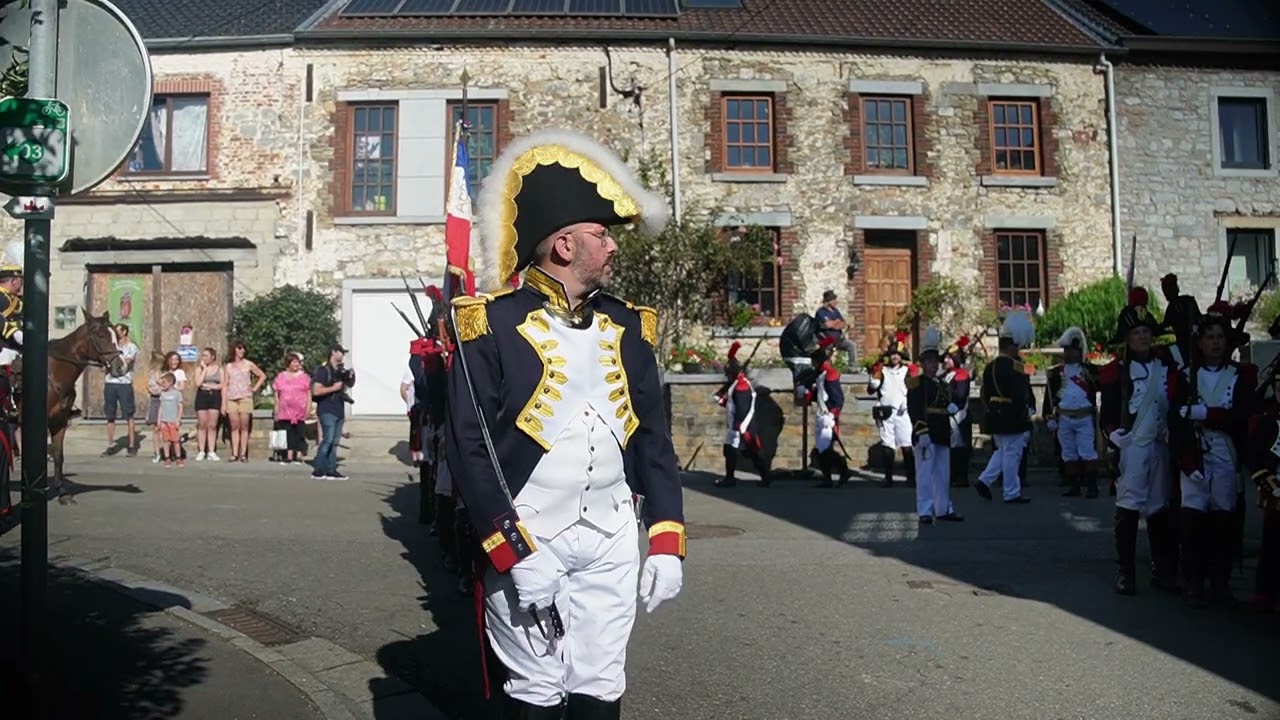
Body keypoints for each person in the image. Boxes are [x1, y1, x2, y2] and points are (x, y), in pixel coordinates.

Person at [445, 128, 684, 719]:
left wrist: (666, 538)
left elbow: (653, 439)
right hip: (533, 534)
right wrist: (513, 550)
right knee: (536, 689)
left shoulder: (630, 326)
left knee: (601, 683)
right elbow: (470, 448)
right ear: (562, 245)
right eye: (601, 235)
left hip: (610, 536)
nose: (613, 247)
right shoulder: (489, 324)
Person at [1170, 304, 1256, 608]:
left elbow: (1243, 417)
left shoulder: (1239, 376)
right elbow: (1176, 421)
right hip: (1195, 452)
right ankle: (1193, 575)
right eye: (1210, 337)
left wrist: (1209, 413)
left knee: (1224, 520)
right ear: (1200, 342)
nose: (1216, 342)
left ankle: (1221, 578)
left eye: (1220, 336)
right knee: (1192, 520)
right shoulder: (1184, 376)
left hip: (1225, 452)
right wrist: (1186, 459)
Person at [1099, 287, 1178, 596]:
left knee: (1159, 507)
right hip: (1133, 445)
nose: (1143, 336)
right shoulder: (1117, 371)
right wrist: (1113, 434)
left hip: (1160, 444)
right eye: (1137, 332)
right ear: (1127, 338)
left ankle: (1161, 567)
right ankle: (1126, 571)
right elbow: (1108, 411)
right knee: (1129, 506)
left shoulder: (1165, 366)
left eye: (1146, 331)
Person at [975, 311, 1035, 505]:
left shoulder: (989, 367)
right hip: (1011, 415)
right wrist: (1024, 413)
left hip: (995, 414)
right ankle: (1011, 492)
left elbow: (984, 393)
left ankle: (984, 480)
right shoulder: (1015, 366)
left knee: (1002, 451)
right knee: (1012, 454)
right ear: (1012, 346)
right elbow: (1020, 394)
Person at [908, 327, 963, 524]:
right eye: (929, 362)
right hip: (926, 432)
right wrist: (921, 430)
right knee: (924, 474)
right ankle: (924, 510)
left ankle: (943, 508)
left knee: (942, 474)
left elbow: (952, 400)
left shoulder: (941, 384)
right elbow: (914, 409)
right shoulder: (917, 384)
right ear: (922, 364)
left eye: (935, 362)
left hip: (941, 432)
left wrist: (954, 404)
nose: (933, 365)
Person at [1043, 327, 1101, 498]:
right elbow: (1050, 398)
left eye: (1072, 350)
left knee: (1087, 452)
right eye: (1066, 350)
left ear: (1079, 351)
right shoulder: (1056, 373)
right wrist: (1048, 417)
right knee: (1068, 453)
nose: (1069, 354)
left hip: (1084, 416)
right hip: (1064, 418)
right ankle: (1073, 485)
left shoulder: (1089, 371)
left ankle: (1092, 486)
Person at [1245, 372, 1280, 614]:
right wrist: (1273, 487)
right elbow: (1255, 460)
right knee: (1273, 546)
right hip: (1277, 491)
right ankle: (1268, 594)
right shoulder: (1268, 422)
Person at [716, 341, 772, 488]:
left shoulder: (741, 386)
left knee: (753, 451)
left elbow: (742, 408)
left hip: (741, 424)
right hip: (736, 423)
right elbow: (730, 402)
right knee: (729, 450)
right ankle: (730, 477)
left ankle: (765, 477)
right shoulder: (736, 383)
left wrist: (738, 427)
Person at [868, 332, 918, 488]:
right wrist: (873, 379)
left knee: (907, 444)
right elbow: (871, 389)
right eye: (892, 354)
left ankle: (911, 477)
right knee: (887, 444)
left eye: (897, 354)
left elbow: (914, 389)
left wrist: (908, 402)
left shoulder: (907, 371)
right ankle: (888, 477)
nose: (894, 357)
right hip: (886, 412)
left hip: (903, 413)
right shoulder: (882, 371)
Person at [809, 336, 851, 488]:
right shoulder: (821, 375)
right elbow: (820, 394)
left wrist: (833, 415)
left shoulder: (831, 374)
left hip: (829, 417)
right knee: (822, 449)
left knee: (825, 450)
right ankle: (831, 477)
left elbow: (838, 399)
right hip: (822, 414)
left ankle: (841, 471)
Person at [311, 344, 354, 481]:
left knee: (334, 442)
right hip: (327, 409)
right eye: (341, 352)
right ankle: (318, 470)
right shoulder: (323, 371)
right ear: (333, 352)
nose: (343, 355)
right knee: (327, 440)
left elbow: (349, 385)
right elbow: (316, 390)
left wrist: (350, 377)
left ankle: (331, 470)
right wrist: (334, 388)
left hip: (339, 409)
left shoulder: (340, 371)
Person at [222, 341, 266, 462]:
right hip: (231, 398)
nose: (242, 351)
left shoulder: (248, 364)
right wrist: (223, 403)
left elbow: (262, 375)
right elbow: (225, 385)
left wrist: (254, 388)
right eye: (239, 348)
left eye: (243, 349)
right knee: (234, 426)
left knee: (244, 426)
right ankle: (234, 453)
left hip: (245, 397)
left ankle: (243, 453)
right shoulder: (228, 366)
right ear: (234, 350)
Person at [103, 324, 140, 457]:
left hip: (124, 383)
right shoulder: (112, 346)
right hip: (110, 383)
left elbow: (125, 364)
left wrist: (116, 356)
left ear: (124, 332)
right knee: (110, 416)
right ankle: (110, 445)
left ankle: (131, 445)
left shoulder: (131, 347)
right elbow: (105, 365)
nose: (116, 334)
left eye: (118, 331)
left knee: (129, 415)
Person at [941, 337, 973, 488]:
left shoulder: (961, 374)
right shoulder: (944, 375)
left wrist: (953, 406)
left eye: (949, 357)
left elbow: (960, 395)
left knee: (961, 447)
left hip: (960, 416)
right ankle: (952, 475)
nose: (946, 360)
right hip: (947, 416)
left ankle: (961, 477)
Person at [147, 351, 188, 463]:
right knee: (156, 427)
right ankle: (157, 452)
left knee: (171, 428)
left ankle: (174, 454)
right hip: (157, 399)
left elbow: (174, 386)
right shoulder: (158, 372)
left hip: (169, 401)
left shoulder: (170, 374)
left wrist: (168, 387)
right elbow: (152, 385)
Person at [273, 353, 311, 465]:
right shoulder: (281, 376)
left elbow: (309, 394)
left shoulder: (304, 377)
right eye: (293, 362)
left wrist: (308, 408)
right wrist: (276, 408)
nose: (296, 364)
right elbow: (276, 394)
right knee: (288, 432)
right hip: (286, 411)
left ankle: (299, 455)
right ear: (288, 363)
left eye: (297, 362)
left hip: (300, 410)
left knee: (300, 432)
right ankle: (289, 456)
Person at [193, 347, 223, 461]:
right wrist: (204, 370)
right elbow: (198, 383)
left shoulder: (219, 369)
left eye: (206, 355)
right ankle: (201, 450)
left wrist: (209, 386)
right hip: (202, 396)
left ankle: (211, 450)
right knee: (202, 424)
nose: (203, 358)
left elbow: (222, 385)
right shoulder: (199, 369)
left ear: (212, 357)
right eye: (203, 356)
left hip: (214, 396)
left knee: (212, 425)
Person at [814, 289, 857, 365]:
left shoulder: (835, 311)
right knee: (826, 353)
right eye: (833, 300)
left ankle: (853, 367)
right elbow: (827, 325)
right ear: (829, 301)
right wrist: (836, 322)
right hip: (827, 340)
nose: (835, 302)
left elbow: (843, 324)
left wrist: (834, 324)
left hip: (839, 339)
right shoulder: (820, 312)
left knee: (851, 345)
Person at [156, 372, 185, 467]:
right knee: (166, 440)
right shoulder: (163, 394)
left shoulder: (177, 393)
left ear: (170, 383)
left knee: (176, 441)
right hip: (164, 421)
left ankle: (178, 457)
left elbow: (180, 407)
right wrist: (159, 420)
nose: (162, 384)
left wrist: (178, 419)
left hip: (173, 421)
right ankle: (167, 457)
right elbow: (161, 407)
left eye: (164, 382)